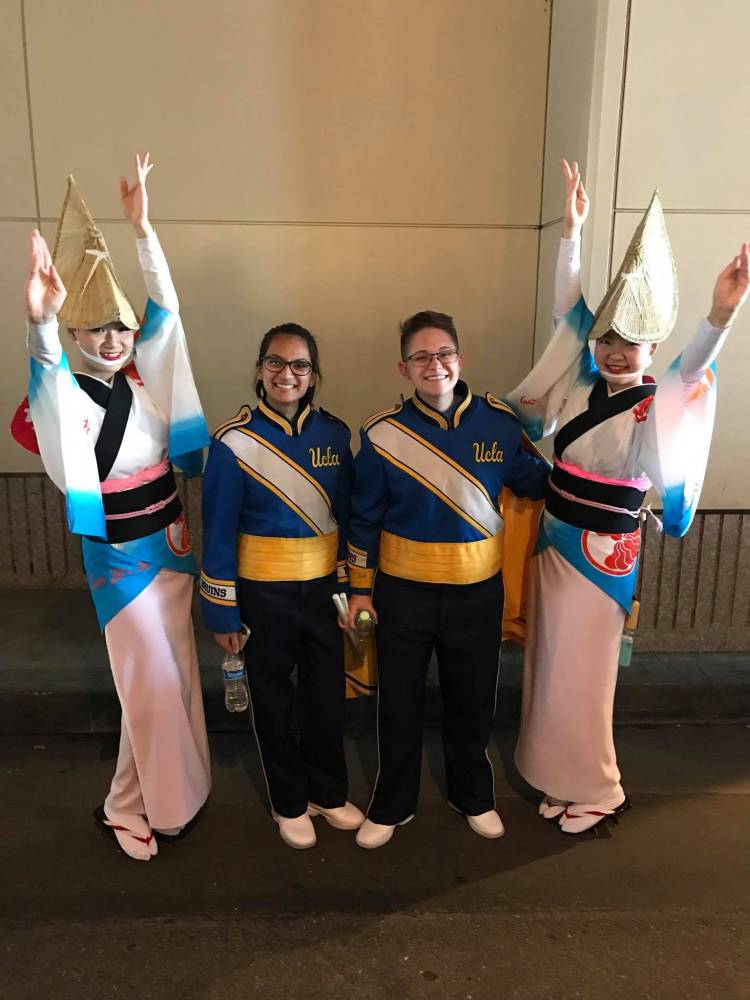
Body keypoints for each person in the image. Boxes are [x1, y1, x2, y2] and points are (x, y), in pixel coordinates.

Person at [504, 159, 750, 833]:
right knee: (551, 666)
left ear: (652, 347)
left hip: (602, 549)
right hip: (554, 537)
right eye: (609, 339)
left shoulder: (656, 403)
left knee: (584, 677)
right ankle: (558, 777)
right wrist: (573, 235)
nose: (616, 351)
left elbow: (692, 371)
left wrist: (720, 315)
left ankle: (598, 789)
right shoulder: (580, 386)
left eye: (632, 342)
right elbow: (567, 314)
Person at [21, 154, 212, 860]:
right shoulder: (67, 396)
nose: (111, 339)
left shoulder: (148, 385)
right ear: (75, 337)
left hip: (172, 542)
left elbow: (169, 317)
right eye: (94, 329)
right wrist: (40, 321)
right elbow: (43, 373)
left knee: (174, 678)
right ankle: (138, 806)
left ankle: (144, 801)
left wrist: (143, 231)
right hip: (120, 559)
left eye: (120, 329)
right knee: (148, 684)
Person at [346, 311, 549, 849]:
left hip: (478, 592)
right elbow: (363, 518)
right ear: (403, 367)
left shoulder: (501, 424)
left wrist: (612, 493)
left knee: (473, 698)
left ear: (460, 360)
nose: (434, 365)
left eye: (444, 355)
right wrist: (361, 591)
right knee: (400, 703)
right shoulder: (381, 432)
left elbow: (540, 485)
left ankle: (473, 795)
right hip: (402, 593)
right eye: (421, 357)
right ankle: (392, 803)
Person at [199, 323, 364, 849]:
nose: (286, 374)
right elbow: (218, 531)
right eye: (275, 362)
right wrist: (224, 614)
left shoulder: (336, 435)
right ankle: (288, 800)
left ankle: (328, 792)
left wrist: (349, 586)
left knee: (324, 698)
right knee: (272, 699)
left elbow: (347, 517)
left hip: (322, 591)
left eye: (299, 365)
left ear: (314, 375)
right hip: (260, 592)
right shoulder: (232, 441)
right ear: (258, 370)